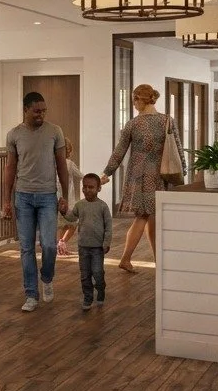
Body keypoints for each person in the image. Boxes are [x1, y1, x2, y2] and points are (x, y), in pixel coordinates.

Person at [100, 84, 183, 273]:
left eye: (134, 100)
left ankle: (139, 259)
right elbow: (177, 148)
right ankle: (134, 259)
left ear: (139, 99)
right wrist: (182, 174)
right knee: (148, 216)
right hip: (160, 176)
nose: (133, 104)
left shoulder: (133, 124)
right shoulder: (167, 121)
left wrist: (107, 173)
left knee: (146, 216)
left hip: (138, 176)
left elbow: (119, 152)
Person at [1, 92, 68, 312]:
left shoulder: (54, 132)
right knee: (26, 248)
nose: (41, 114)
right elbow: (10, 168)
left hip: (48, 196)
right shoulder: (14, 135)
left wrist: (64, 195)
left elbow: (62, 166)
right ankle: (31, 294)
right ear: (26, 109)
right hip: (23, 197)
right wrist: (6, 200)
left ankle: (46, 277)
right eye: (37, 111)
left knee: (49, 245)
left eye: (44, 110)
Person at [65, 173, 112, 311]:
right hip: (83, 246)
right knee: (85, 274)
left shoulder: (103, 207)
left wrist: (106, 242)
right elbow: (72, 217)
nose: (87, 190)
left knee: (97, 272)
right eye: (84, 187)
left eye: (91, 187)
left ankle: (101, 288)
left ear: (98, 189)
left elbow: (108, 226)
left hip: (98, 247)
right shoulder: (80, 205)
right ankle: (88, 297)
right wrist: (63, 210)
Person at [55, 139, 84, 257]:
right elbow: (81, 176)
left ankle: (60, 248)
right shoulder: (69, 164)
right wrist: (98, 180)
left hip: (55, 197)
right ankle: (62, 243)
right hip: (67, 199)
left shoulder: (52, 163)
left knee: (63, 224)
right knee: (73, 223)